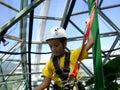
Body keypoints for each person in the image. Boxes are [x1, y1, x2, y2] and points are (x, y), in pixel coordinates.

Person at [34, 19, 94, 90]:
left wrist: (88, 25)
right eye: (51, 46)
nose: (53, 49)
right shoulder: (50, 63)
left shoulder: (73, 54)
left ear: (64, 44)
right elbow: (45, 83)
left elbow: (91, 42)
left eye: (56, 45)